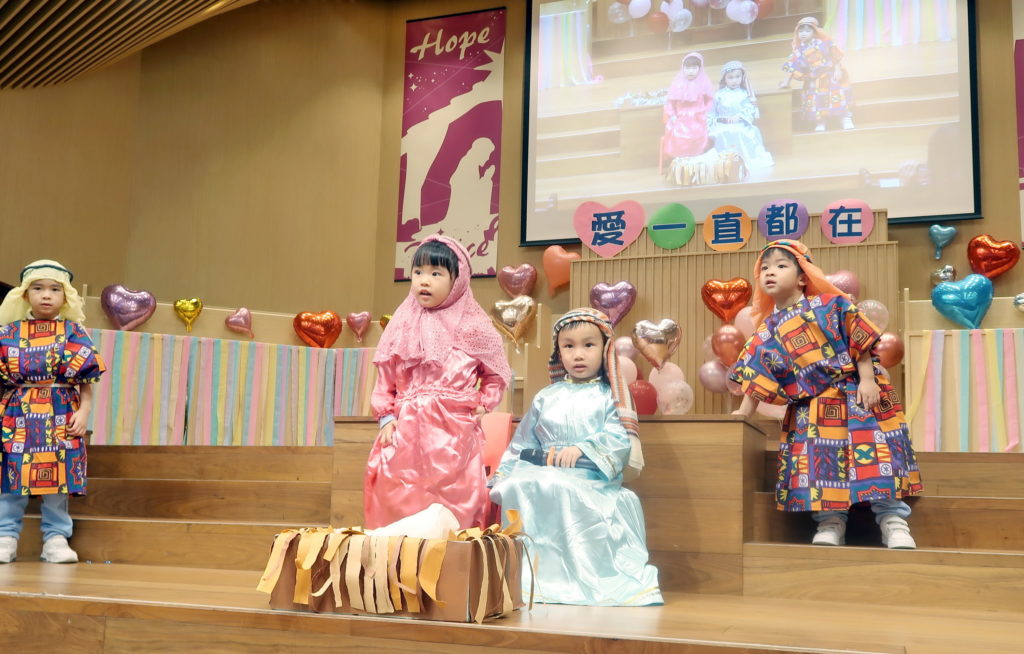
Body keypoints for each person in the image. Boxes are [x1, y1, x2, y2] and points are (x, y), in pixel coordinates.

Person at [730, 240, 922, 549]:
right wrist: (742, 414)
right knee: (821, 466)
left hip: (856, 394)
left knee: (877, 457)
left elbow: (859, 340)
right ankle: (831, 523)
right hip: (812, 409)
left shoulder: (831, 305)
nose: (770, 272)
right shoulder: (765, 332)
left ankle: (893, 522)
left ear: (802, 277)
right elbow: (756, 377)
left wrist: (868, 380)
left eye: (781, 265)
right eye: (764, 267)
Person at [489, 308, 662, 606]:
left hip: (589, 475)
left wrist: (583, 449)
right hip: (543, 468)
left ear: (604, 350)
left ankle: (571, 581)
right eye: (569, 346)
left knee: (560, 487)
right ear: (559, 352)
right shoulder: (546, 396)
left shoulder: (610, 396)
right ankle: (528, 580)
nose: (578, 354)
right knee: (520, 484)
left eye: (588, 345)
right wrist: (503, 474)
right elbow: (523, 442)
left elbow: (617, 437)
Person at [364, 235, 510, 529]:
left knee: (454, 499)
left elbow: (495, 374)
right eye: (418, 272)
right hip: (405, 430)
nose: (424, 281)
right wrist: (386, 417)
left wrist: (484, 402)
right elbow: (385, 379)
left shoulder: (475, 326)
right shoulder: (402, 324)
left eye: (436, 273)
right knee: (397, 493)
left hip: (453, 431)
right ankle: (399, 553)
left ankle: (454, 552)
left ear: (457, 280)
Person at [0, 260, 106, 564]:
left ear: (66, 296)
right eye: (38, 288)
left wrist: (84, 412)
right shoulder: (8, 333)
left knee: (58, 475)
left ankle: (56, 538)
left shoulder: (74, 332)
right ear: (25, 294)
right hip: (17, 412)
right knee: (12, 473)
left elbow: (86, 379)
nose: (46, 295)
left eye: (54, 289)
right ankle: (6, 536)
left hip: (61, 410)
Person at [779, 16, 854, 132]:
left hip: (830, 75)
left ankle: (845, 118)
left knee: (838, 94)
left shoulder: (825, 43)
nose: (803, 34)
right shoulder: (798, 50)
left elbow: (835, 57)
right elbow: (792, 66)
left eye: (807, 31)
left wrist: (838, 69)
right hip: (814, 80)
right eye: (801, 31)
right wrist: (786, 81)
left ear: (815, 32)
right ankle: (821, 121)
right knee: (817, 100)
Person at [708, 60, 774, 169]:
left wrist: (740, 117)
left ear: (742, 77)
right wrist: (715, 121)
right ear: (724, 79)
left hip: (740, 123)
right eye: (730, 77)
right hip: (722, 124)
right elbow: (711, 112)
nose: (734, 80)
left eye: (737, 77)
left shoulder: (745, 94)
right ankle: (723, 162)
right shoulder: (718, 95)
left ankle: (743, 159)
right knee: (719, 134)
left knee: (743, 132)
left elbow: (749, 109)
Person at [663, 52, 714, 160]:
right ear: (683, 68)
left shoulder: (704, 83)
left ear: (700, 68)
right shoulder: (677, 83)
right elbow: (670, 103)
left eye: (694, 68)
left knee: (699, 133)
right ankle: (681, 160)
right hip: (681, 118)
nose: (690, 71)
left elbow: (709, 101)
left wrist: (706, 113)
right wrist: (673, 116)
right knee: (679, 134)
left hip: (698, 118)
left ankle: (696, 159)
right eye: (688, 68)